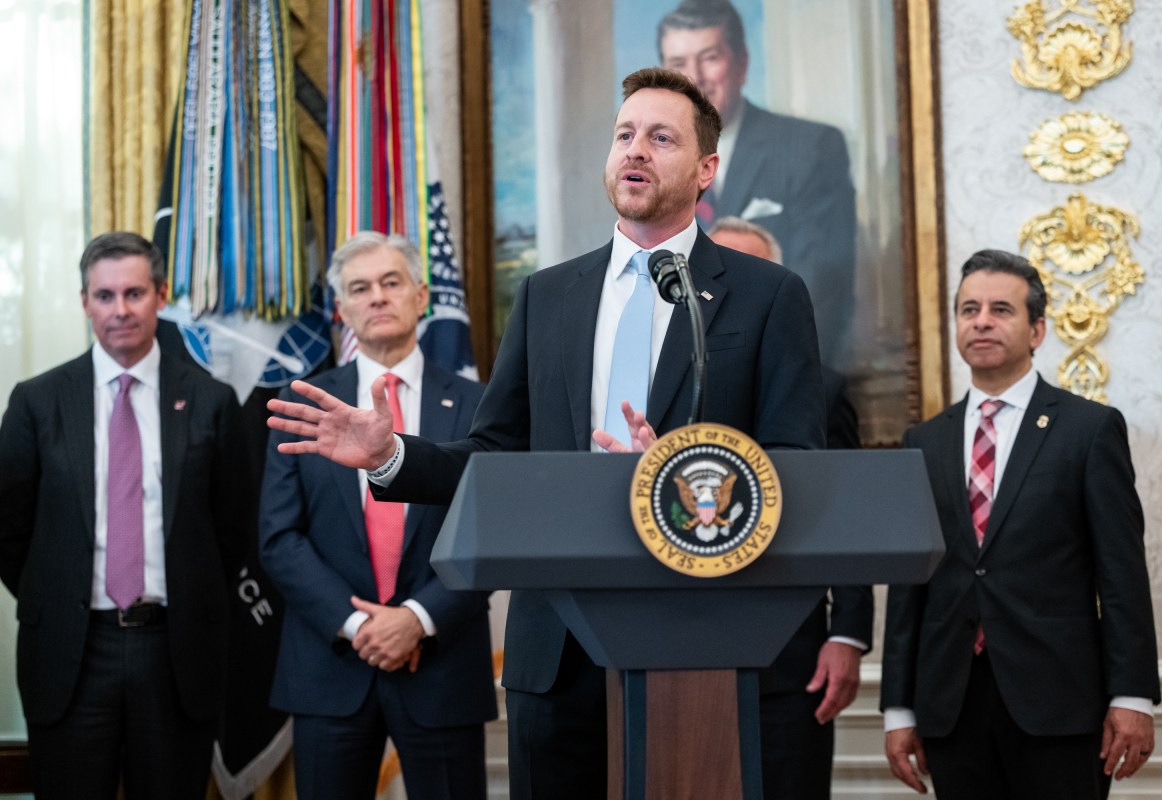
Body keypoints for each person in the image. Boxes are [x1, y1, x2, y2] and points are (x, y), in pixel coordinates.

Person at [266, 67, 826, 800]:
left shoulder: (768, 295)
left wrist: (680, 469)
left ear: (706, 169)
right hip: (559, 647)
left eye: (661, 138)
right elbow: (497, 454)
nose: (636, 151)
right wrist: (391, 456)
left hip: (701, 636)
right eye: (625, 134)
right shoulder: (549, 294)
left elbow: (791, 462)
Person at [881, 250, 1159, 799]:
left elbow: (1121, 573)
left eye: (1000, 309)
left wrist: (1132, 697)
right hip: (951, 705)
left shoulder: (1088, 430)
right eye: (969, 309)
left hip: (1060, 704)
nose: (981, 321)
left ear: (1036, 330)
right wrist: (897, 709)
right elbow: (910, 584)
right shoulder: (924, 441)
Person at [0, 232, 252, 799]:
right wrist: (57, 593)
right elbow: (9, 529)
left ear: (160, 295)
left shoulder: (210, 402)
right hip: (71, 651)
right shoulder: (36, 402)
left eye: (134, 293)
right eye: (105, 295)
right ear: (84, 301)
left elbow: (232, 529)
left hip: (174, 651)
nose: (120, 310)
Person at [259, 232, 494, 800]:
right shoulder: (305, 405)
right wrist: (360, 624)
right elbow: (279, 539)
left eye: (392, 283)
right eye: (360, 289)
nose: (378, 297)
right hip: (330, 667)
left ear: (421, 297)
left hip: (441, 665)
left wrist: (416, 617)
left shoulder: (478, 404)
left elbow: (490, 533)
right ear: (341, 311)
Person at [710, 214, 870, 798]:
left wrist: (847, 635)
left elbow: (845, 517)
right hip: (676, 646)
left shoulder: (824, 390)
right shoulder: (656, 385)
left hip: (790, 655)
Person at [657, 0, 857, 363]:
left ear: (742, 64)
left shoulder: (810, 148)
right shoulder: (652, 168)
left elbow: (825, 291)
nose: (696, 77)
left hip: (781, 381)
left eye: (710, 57)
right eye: (678, 65)